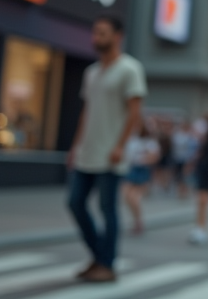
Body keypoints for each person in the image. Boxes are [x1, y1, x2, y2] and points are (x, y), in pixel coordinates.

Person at [67, 16, 146, 283]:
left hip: (110, 153)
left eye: (102, 33)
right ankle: (99, 255)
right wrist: (75, 147)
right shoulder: (91, 72)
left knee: (107, 208)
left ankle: (107, 264)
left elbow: (135, 113)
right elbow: (86, 113)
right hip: (87, 152)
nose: (96, 38)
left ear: (117, 36)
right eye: (95, 32)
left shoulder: (130, 69)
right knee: (75, 202)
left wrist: (121, 145)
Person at [122, 121, 161, 235]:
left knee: (134, 197)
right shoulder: (132, 140)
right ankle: (135, 219)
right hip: (131, 169)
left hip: (142, 170)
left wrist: (144, 159)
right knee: (127, 197)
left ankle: (138, 221)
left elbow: (155, 157)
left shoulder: (150, 142)